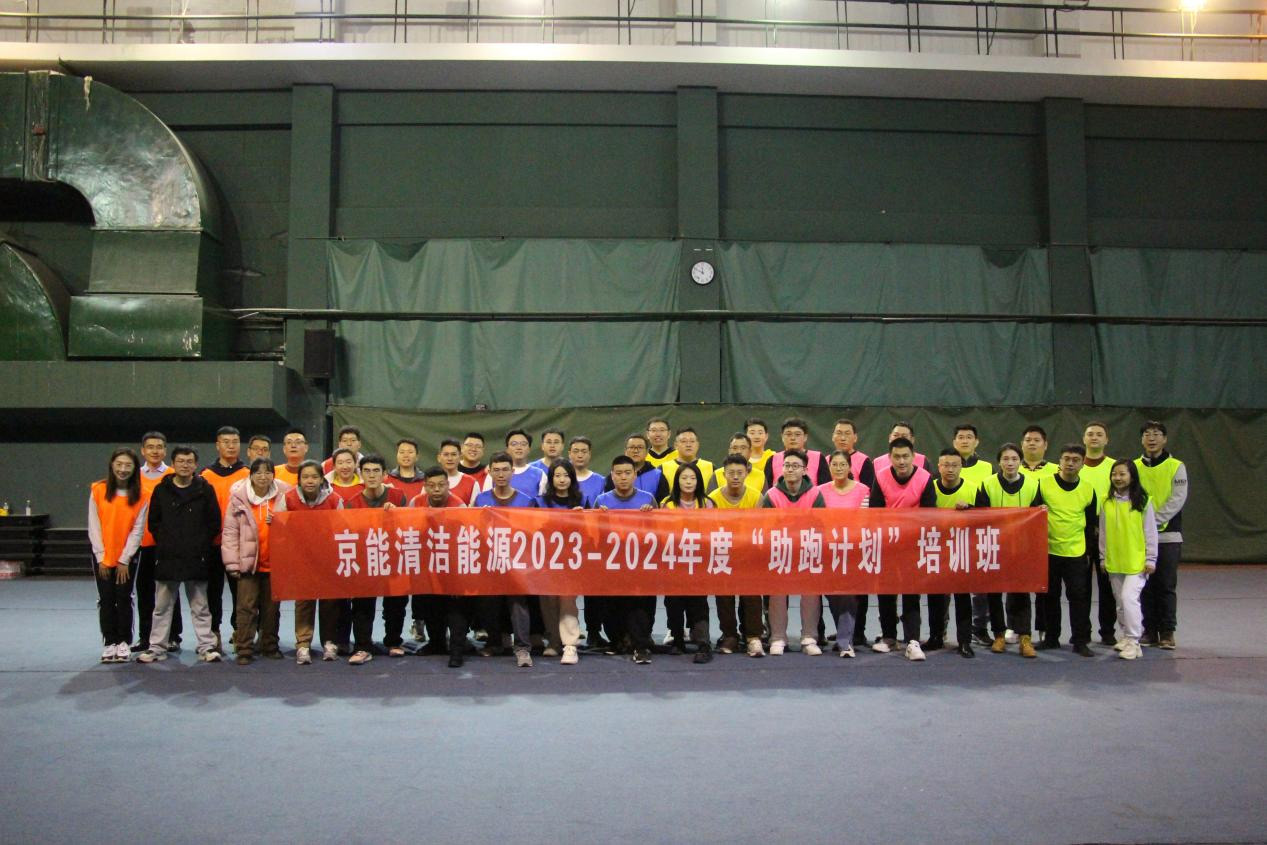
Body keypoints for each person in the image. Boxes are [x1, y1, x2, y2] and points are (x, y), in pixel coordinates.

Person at [138, 446, 223, 664]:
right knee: (162, 607)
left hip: (197, 557)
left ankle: (206, 647)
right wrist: (168, 542)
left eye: (189, 461)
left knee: (201, 607)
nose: (185, 465)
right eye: (181, 461)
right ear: (173, 464)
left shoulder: (206, 489)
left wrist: (199, 544)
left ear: (196, 465)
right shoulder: (161, 490)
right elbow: (154, 522)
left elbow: (214, 522)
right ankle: (156, 648)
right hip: (168, 557)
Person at [974, 443, 1044, 658]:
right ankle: (999, 635)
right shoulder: (987, 484)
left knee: (1021, 593)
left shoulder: (1032, 485)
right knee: (994, 594)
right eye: (1005, 459)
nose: (1010, 463)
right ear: (999, 462)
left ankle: (1025, 637)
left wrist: (1041, 511)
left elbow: (1037, 516)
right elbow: (979, 516)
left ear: (1020, 462)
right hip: (994, 547)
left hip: (1021, 549)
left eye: (1014, 459)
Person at [869, 437, 936, 661]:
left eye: (906, 456)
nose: (901, 461)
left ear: (913, 457)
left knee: (911, 593)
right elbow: (875, 512)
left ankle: (912, 641)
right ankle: (889, 637)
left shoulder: (925, 478)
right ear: (890, 458)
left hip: (913, 545)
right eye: (897, 457)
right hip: (888, 544)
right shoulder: (881, 477)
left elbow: (929, 514)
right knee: (886, 592)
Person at [474, 452, 539, 667]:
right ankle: (495, 642)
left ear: (513, 471)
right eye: (496, 470)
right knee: (488, 603)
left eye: (505, 470)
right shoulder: (481, 500)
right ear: (490, 472)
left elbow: (533, 533)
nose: (501, 474)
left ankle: (522, 648)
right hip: (490, 562)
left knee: (518, 603)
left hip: (517, 564)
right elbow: (473, 532)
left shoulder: (527, 501)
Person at [222, 458, 289, 665]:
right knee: (246, 608)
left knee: (272, 610)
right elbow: (230, 533)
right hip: (247, 564)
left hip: (275, 564)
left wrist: (280, 521)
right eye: (258, 473)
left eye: (268, 472)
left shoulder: (285, 496)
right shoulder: (238, 498)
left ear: (273, 475)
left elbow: (294, 527)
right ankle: (244, 649)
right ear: (250, 475)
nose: (263, 477)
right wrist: (232, 563)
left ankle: (270, 646)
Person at [342, 454, 408, 663]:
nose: (371, 475)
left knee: (396, 602)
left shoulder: (398, 496)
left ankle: (394, 642)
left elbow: (410, 526)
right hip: (366, 559)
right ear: (360, 474)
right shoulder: (352, 503)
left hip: (393, 558)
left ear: (385, 474)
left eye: (376, 471)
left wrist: (397, 515)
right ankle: (362, 646)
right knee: (362, 604)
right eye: (367, 471)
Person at [760, 449, 826, 656]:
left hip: (808, 551)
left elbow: (821, 525)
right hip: (780, 552)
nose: (790, 469)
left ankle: (809, 638)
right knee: (777, 594)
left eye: (795, 466)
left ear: (805, 470)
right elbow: (766, 527)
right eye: (787, 465)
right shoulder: (772, 495)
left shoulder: (815, 494)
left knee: (811, 593)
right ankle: (778, 638)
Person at [410, 465, 476, 668]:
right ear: (425, 486)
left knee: (455, 608)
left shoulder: (459, 506)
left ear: (448, 485)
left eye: (441, 485)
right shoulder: (415, 502)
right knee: (430, 605)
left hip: (454, 565)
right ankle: (436, 643)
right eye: (431, 485)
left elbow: (465, 539)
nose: (437, 489)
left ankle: (457, 649)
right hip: (427, 564)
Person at [594, 455, 658, 664]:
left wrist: (650, 516)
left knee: (639, 605)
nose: (623, 477)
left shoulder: (648, 499)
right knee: (612, 606)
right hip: (612, 564)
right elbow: (595, 535)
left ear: (635, 475)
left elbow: (659, 531)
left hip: (640, 564)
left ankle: (641, 646)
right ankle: (618, 641)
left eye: (627, 473)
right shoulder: (601, 501)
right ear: (612, 476)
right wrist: (599, 518)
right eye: (619, 473)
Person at [1036, 444, 1098, 656]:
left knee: (1079, 598)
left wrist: (1088, 552)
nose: (1070, 463)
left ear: (1082, 464)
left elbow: (1091, 524)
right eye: (1066, 459)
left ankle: (1080, 641)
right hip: (1049, 551)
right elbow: (1033, 515)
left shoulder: (1088, 489)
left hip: (1076, 553)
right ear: (1060, 461)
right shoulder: (1043, 484)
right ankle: (1051, 638)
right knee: (1050, 597)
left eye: (1075, 460)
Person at [283, 460, 345, 665]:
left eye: (314, 477)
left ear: (321, 479)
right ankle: (303, 644)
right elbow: (280, 528)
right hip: (301, 561)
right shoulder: (288, 498)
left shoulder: (334, 499)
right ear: (299, 479)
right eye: (305, 477)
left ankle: (329, 642)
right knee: (304, 603)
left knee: (330, 603)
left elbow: (343, 529)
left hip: (328, 560)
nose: (310, 481)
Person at [89, 448, 147, 663]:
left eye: (128, 465)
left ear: (134, 469)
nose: (123, 469)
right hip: (103, 557)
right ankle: (109, 642)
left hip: (127, 558)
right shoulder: (98, 490)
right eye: (119, 464)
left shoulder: (142, 495)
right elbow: (94, 525)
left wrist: (125, 559)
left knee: (124, 597)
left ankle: (123, 642)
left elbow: (138, 530)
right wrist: (101, 557)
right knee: (106, 599)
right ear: (112, 465)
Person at [1135, 420, 1188, 650]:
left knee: (1165, 586)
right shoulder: (1133, 467)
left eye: (1156, 434)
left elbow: (1178, 499)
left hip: (1168, 537)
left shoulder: (1177, 466)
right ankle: (1149, 631)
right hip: (1139, 538)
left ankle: (1167, 632)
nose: (1152, 438)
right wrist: (1141, 527)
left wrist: (1152, 522)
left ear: (1164, 439)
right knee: (1144, 586)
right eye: (1147, 434)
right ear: (1142, 439)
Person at [1100, 460, 1158, 661]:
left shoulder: (1143, 501)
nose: (1117, 478)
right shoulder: (1106, 502)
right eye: (1114, 474)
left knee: (1128, 598)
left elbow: (1151, 532)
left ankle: (1134, 642)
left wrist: (1151, 558)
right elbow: (1103, 533)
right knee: (1120, 603)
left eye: (1122, 474)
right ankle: (1125, 635)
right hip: (1115, 561)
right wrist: (1103, 557)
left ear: (1132, 477)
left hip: (1137, 562)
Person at [709, 455, 766, 657]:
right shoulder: (713, 498)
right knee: (723, 595)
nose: (735, 477)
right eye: (731, 473)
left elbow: (761, 529)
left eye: (739, 473)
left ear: (746, 473)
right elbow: (708, 529)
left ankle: (753, 637)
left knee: (752, 594)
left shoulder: (756, 497)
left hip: (749, 554)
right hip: (723, 553)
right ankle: (730, 635)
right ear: (723, 474)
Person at [815, 449, 870, 658]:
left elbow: (866, 521)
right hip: (828, 551)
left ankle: (846, 641)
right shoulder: (819, 491)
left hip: (853, 550)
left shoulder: (863, 490)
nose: (838, 468)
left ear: (849, 467)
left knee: (848, 595)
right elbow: (816, 520)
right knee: (832, 595)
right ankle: (843, 634)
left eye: (842, 464)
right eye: (834, 465)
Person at [659, 462, 714, 664]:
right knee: (673, 601)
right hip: (675, 561)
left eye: (692, 478)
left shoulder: (707, 503)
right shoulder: (667, 504)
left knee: (698, 602)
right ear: (677, 481)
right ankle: (677, 640)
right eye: (684, 478)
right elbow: (661, 533)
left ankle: (703, 643)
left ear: (699, 481)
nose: (688, 482)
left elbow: (714, 530)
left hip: (699, 560)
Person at [200, 425, 248, 653]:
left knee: (241, 593)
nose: (231, 446)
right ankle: (213, 634)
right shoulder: (205, 476)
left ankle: (240, 632)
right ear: (217, 445)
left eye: (235, 442)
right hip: (212, 544)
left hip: (240, 545)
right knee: (212, 592)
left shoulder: (248, 474)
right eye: (226, 442)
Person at [926, 449, 978, 658]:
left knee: (962, 598)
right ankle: (936, 636)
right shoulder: (929, 488)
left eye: (955, 465)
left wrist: (970, 509)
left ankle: (965, 641)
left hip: (962, 551)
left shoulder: (973, 489)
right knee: (935, 597)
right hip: (936, 550)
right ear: (939, 467)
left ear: (961, 467)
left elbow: (985, 517)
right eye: (946, 465)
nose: (950, 469)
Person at [537, 460, 587, 665]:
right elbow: (531, 527)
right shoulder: (539, 502)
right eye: (557, 475)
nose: (562, 479)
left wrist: (582, 518)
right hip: (546, 560)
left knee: (567, 600)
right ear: (551, 479)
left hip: (571, 561)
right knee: (548, 601)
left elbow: (591, 530)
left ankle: (570, 644)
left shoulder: (581, 500)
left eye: (566, 475)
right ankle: (554, 641)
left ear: (572, 478)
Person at [134, 431, 179, 655]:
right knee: (144, 592)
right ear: (143, 450)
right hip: (141, 545)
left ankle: (173, 636)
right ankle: (145, 637)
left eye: (159, 447)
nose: (155, 451)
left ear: (165, 450)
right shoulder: (134, 476)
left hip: (167, 545)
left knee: (170, 592)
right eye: (150, 447)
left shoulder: (173, 475)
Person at [1080, 421, 1118, 645]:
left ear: (1106, 440)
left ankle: (1108, 631)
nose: (1094, 437)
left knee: (1107, 586)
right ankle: (1082, 632)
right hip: (1080, 533)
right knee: (1081, 587)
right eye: (1090, 434)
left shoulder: (1115, 467)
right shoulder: (1074, 465)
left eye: (1099, 434)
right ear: (1084, 439)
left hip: (1108, 532)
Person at [763, 417, 831, 489]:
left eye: (797, 434)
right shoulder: (773, 459)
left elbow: (825, 489)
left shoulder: (818, 458)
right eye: (788, 434)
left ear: (805, 437)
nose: (793, 438)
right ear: (782, 437)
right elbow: (767, 489)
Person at [603, 434, 670, 501]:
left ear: (647, 452)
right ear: (625, 451)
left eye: (640, 447)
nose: (635, 451)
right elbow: (606, 501)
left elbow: (664, 503)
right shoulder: (613, 477)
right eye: (632, 447)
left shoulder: (657, 476)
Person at [659, 427, 716, 495]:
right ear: (676, 445)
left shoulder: (710, 467)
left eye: (692, 441)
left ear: (697, 445)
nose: (688, 445)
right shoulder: (663, 468)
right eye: (684, 441)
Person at [830, 418, 877, 489]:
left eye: (847, 433)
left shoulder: (864, 461)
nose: (843, 438)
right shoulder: (826, 460)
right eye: (839, 433)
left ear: (855, 438)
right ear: (833, 437)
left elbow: (869, 490)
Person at [504, 429, 547, 499]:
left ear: (529, 449)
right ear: (507, 449)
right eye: (514, 444)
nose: (519, 447)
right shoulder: (496, 473)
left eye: (523, 444)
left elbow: (543, 503)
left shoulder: (540, 474)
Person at [437, 438, 480, 505]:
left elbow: (476, 510)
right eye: (446, 454)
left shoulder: (472, 483)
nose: (450, 458)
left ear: (460, 457)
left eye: (454, 454)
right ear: (439, 458)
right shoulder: (431, 483)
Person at [568, 436, 607, 504]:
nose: (580, 455)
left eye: (584, 451)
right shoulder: (561, 480)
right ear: (569, 454)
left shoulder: (601, 481)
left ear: (589, 454)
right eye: (576, 451)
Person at [386, 438, 426, 502]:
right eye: (402, 452)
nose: (406, 455)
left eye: (410, 452)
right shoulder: (386, 480)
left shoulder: (426, 481)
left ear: (417, 457)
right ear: (397, 456)